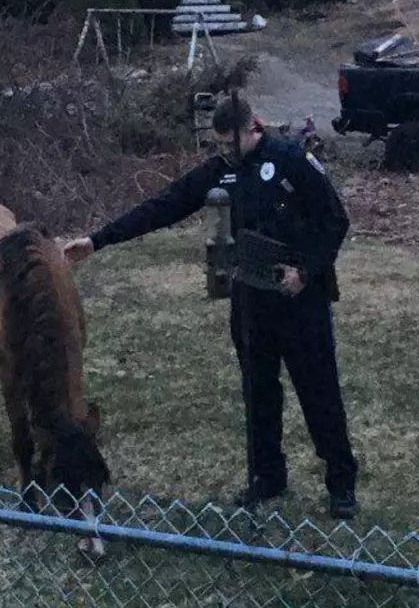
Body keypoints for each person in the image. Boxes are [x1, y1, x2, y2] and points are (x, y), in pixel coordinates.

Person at [62, 95, 359, 520]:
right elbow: (166, 205)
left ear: (252, 128)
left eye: (230, 143)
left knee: (319, 391)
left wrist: (305, 271)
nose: (224, 152)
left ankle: (341, 482)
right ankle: (267, 475)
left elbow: (335, 221)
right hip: (251, 302)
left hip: (299, 299)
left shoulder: (291, 160)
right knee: (258, 392)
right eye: (218, 145)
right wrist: (97, 240)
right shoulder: (221, 172)